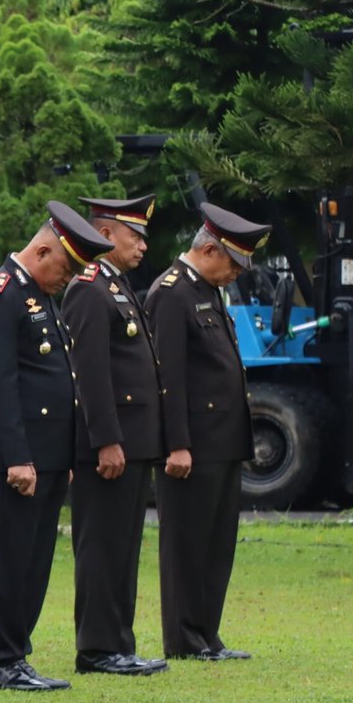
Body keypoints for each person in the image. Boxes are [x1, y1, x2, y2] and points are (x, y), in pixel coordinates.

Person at [0, 201, 112, 692]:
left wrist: (64, 454)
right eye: (67, 267)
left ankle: (17, 653)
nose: (69, 278)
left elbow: (59, 378)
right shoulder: (2, 295)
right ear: (43, 251)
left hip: (48, 455)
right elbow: (1, 385)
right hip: (21, 457)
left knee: (34, 562)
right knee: (13, 559)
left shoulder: (40, 294)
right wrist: (18, 458)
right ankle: (0, 659)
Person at [145, 202, 270, 662]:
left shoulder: (207, 290)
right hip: (193, 443)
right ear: (210, 249)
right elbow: (168, 377)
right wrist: (176, 444)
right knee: (187, 544)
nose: (236, 273)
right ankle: (184, 638)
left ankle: (206, 633)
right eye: (233, 263)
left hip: (221, 441)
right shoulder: (172, 292)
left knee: (216, 544)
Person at [60, 195, 169, 676]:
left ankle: (119, 643)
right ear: (104, 235)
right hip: (110, 445)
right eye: (134, 236)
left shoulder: (116, 285)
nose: (143, 245)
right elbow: (90, 372)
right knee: (103, 548)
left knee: (123, 549)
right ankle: (98, 648)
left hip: (133, 441)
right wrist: (105, 439)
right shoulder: (89, 288)